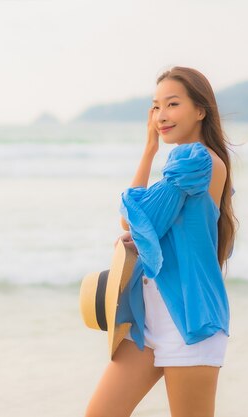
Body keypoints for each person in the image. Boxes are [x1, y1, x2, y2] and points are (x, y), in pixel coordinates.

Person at [85, 66, 238, 417]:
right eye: (156, 107)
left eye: (172, 104)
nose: (161, 116)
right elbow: (157, 225)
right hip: (152, 320)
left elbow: (133, 216)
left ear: (200, 111)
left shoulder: (195, 159)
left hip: (188, 322)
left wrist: (149, 149)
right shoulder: (187, 163)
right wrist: (146, 237)